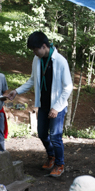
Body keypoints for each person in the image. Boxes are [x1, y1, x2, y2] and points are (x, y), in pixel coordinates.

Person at [8, 31, 73, 177]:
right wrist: (16, 91)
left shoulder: (60, 61)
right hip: (43, 104)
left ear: (44, 46)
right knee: (42, 134)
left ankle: (59, 164)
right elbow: (32, 80)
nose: (34, 52)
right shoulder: (37, 60)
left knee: (55, 136)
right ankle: (52, 156)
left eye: (35, 49)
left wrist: (56, 108)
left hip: (58, 105)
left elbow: (68, 87)